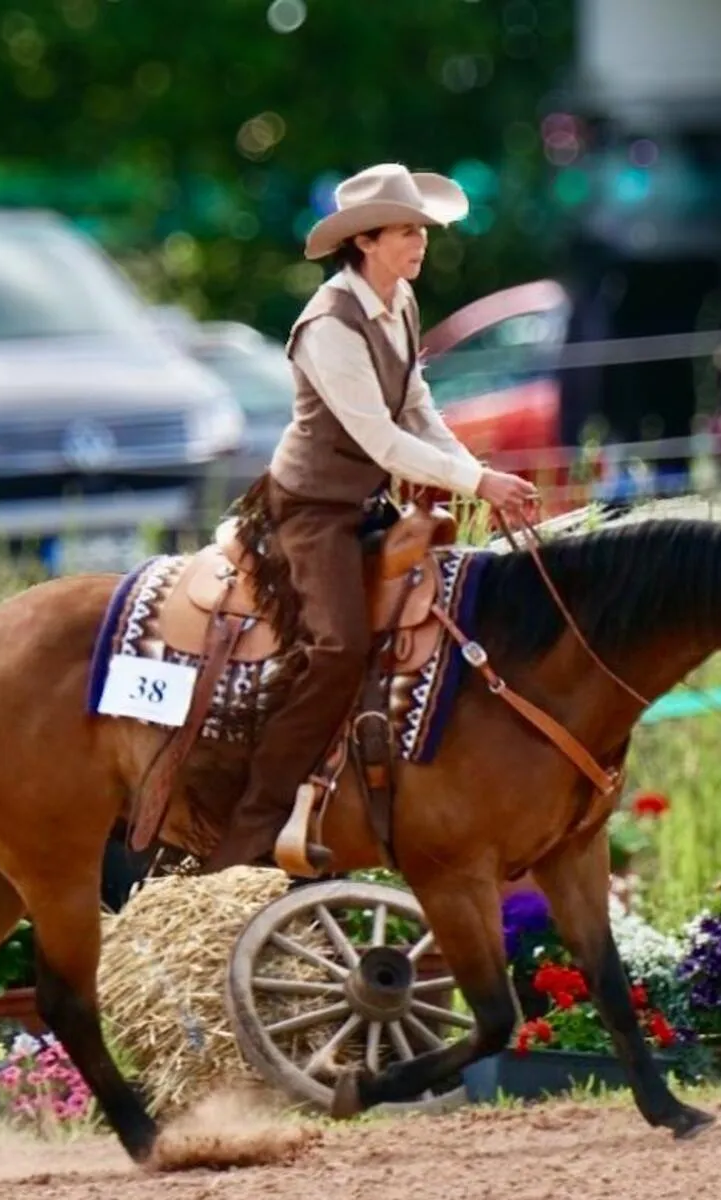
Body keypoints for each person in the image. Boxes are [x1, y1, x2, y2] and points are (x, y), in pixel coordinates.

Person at [205, 162, 539, 872]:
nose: (420, 241)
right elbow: (379, 439)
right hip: (312, 510)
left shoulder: (401, 299)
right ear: (365, 241)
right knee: (337, 648)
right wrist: (479, 478)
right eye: (406, 230)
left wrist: (479, 481)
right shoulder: (327, 324)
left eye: (421, 228)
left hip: (366, 501)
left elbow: (416, 409)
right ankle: (257, 820)